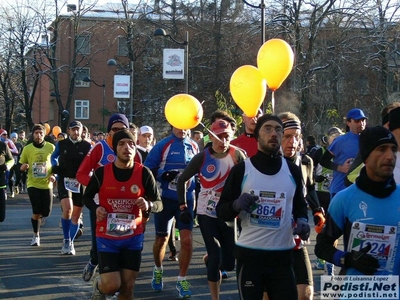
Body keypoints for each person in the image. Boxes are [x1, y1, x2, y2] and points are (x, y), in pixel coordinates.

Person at [216, 114, 310, 300]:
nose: (273, 133)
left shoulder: (292, 171)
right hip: (250, 257)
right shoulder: (242, 170)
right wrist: (235, 205)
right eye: (267, 128)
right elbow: (221, 211)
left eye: (278, 129)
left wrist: (303, 221)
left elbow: (300, 205)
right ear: (257, 135)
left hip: (282, 257)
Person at [83, 129, 163, 300]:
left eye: (131, 143)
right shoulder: (102, 173)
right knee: (112, 285)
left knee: (128, 286)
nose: (127, 147)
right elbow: (87, 196)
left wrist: (148, 204)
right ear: (115, 149)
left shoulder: (143, 173)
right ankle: (99, 286)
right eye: (122, 144)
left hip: (132, 237)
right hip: (107, 236)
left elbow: (159, 204)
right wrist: (96, 207)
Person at [315, 126, 400, 276]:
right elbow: (322, 247)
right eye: (381, 149)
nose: (390, 156)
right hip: (357, 291)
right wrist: (348, 259)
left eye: (393, 149)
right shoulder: (344, 199)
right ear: (365, 157)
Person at [177, 120, 246, 300]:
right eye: (219, 137)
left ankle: (211, 261)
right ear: (212, 137)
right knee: (215, 257)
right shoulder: (202, 157)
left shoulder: (238, 155)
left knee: (229, 263)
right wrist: (183, 206)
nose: (223, 141)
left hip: (230, 214)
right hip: (206, 213)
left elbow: (249, 180)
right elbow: (181, 180)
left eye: (227, 137)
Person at [144, 125, 199, 298]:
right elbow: (147, 168)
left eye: (185, 126)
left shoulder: (194, 146)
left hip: (186, 200)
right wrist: (163, 174)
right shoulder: (163, 145)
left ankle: (182, 279)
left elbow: (198, 173)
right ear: (172, 125)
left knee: (187, 240)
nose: (182, 129)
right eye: (178, 126)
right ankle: (158, 270)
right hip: (165, 199)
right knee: (162, 239)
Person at [77, 113, 130, 281]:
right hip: (101, 205)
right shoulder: (100, 148)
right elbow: (81, 173)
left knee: (120, 246)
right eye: (114, 129)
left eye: (123, 129)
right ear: (109, 132)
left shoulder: (130, 149)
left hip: (123, 206)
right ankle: (94, 262)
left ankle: (110, 283)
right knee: (99, 246)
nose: (118, 132)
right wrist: (98, 186)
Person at [278, 112, 323, 300]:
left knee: (306, 294)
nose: (292, 141)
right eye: (287, 136)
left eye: (296, 136)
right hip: (269, 239)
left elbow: (310, 187)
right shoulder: (266, 163)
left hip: (297, 235)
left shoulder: (306, 161)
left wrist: (318, 211)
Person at [51, 121, 92, 255]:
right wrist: (54, 166)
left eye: (77, 130)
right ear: (68, 131)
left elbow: (92, 162)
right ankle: (66, 240)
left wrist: (90, 174)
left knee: (76, 215)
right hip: (65, 178)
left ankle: (71, 241)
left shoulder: (87, 146)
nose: (75, 132)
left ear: (81, 131)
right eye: (73, 130)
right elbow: (53, 157)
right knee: (68, 209)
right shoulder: (62, 144)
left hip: (80, 181)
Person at [19, 124, 56, 246]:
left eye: (41, 133)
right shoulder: (27, 148)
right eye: (36, 133)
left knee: (46, 212)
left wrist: (54, 175)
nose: (38, 135)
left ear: (44, 134)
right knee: (36, 210)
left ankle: (41, 217)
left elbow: (56, 163)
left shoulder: (51, 147)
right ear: (32, 134)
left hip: (47, 184)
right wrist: (23, 167)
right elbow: (20, 165)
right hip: (32, 183)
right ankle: (36, 235)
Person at [319, 108, 367, 198]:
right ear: (348, 123)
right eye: (357, 121)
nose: (361, 124)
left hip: (360, 191)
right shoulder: (341, 141)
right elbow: (323, 160)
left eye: (363, 120)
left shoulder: (368, 139)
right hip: (340, 190)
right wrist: (340, 168)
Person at [0, 140, 14, 222]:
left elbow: (11, 160)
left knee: (1, 217)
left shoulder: (3, 145)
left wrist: (7, 166)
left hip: (1, 184)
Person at [8, 132, 23, 197]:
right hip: (10, 163)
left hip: (18, 163)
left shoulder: (19, 145)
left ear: (17, 138)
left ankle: (16, 185)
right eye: (12, 137)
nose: (14, 139)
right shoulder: (8, 144)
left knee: (19, 176)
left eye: (15, 137)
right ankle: (12, 192)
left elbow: (23, 153)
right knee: (10, 178)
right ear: (10, 138)